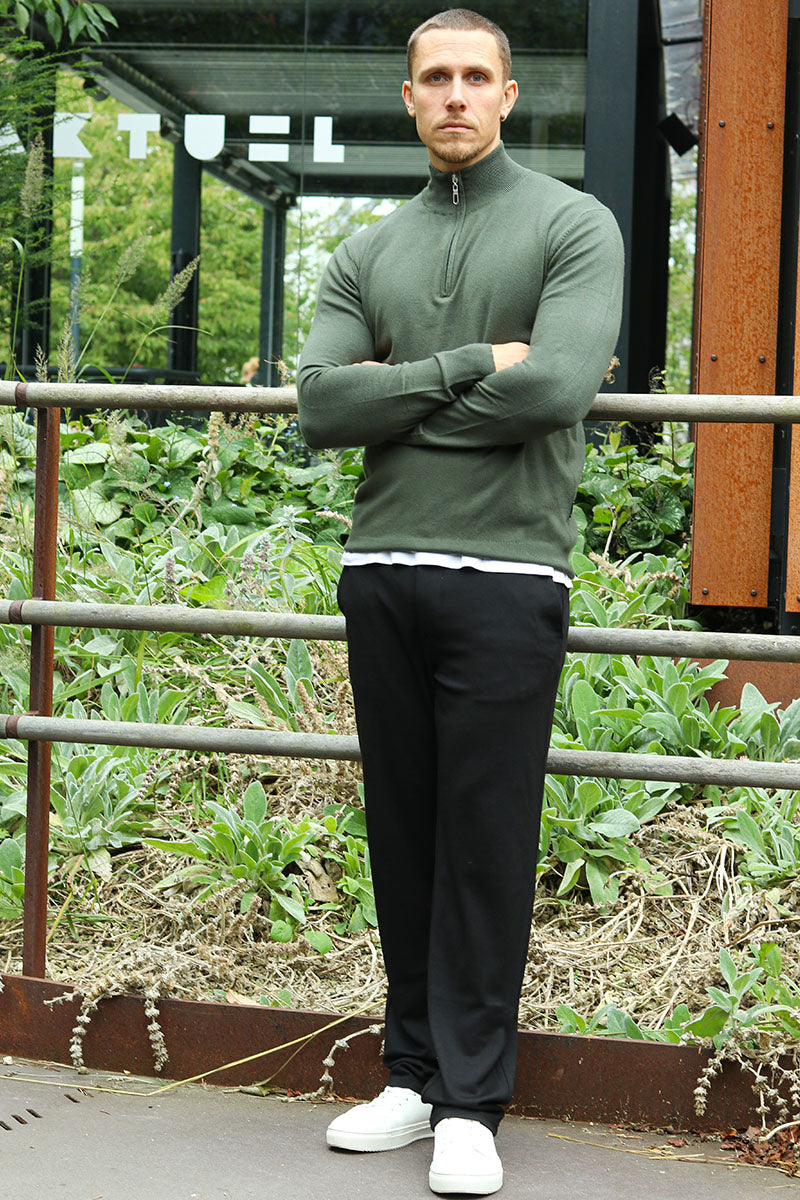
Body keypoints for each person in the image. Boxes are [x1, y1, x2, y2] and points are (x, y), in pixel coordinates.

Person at [297, 9, 624, 1195]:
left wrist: (397, 397)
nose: (452, 94)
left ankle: (470, 1104)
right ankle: (410, 1074)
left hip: (507, 574)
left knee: (483, 841)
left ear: (505, 94)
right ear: (407, 97)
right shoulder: (366, 249)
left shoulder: (571, 224)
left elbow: (555, 390)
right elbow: (321, 405)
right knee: (402, 834)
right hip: (381, 571)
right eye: (432, 76)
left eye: (472, 76)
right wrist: (470, 361)